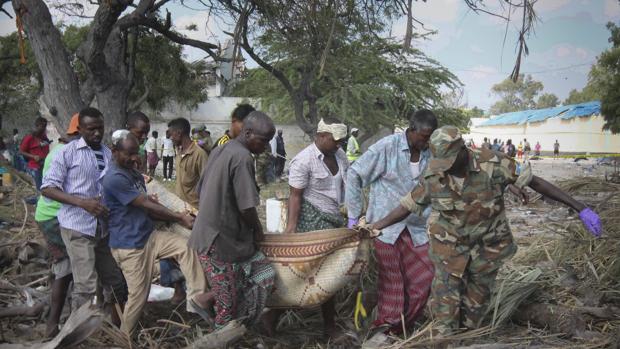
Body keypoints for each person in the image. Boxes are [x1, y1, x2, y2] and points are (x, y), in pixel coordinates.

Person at [370, 126, 602, 336]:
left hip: (487, 249)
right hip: (449, 248)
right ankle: (443, 338)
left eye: (450, 159)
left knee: (474, 311)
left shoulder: (493, 163)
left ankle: (467, 337)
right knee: (445, 309)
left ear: (463, 149)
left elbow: (535, 182)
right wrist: (377, 226)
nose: (446, 167)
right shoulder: (435, 173)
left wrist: (580, 208)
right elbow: (408, 205)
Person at [103, 131, 214, 335]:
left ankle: (196, 300)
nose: (134, 158)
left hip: (149, 236)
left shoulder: (133, 173)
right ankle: (123, 338)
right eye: (129, 154)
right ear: (114, 152)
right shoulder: (113, 178)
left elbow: (147, 203)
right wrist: (179, 217)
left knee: (186, 247)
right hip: (130, 247)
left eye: (136, 152)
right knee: (138, 296)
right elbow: (145, 203)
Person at [346, 109, 437, 338]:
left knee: (424, 277)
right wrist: (354, 217)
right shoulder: (387, 147)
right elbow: (354, 173)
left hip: (415, 228)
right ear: (412, 129)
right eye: (424, 137)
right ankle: (385, 329)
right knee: (392, 281)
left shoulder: (430, 154)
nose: (427, 142)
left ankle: (403, 325)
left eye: (430, 137)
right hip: (384, 229)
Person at [188, 111, 276, 330]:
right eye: (263, 141)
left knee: (265, 274)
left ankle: (208, 299)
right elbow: (247, 206)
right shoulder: (242, 157)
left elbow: (201, 190)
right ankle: (221, 337)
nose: (265, 147)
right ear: (247, 133)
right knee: (228, 308)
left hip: (224, 236)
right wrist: (258, 230)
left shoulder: (220, 149)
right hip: (219, 242)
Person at [41, 107, 127, 324]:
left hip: (101, 229)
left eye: (100, 128)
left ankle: (116, 327)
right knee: (87, 286)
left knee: (116, 281)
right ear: (79, 129)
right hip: (77, 227)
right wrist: (82, 202)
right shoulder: (66, 153)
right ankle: (78, 334)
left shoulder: (108, 154)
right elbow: (48, 188)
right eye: (91, 129)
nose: (97, 133)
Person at [273, 118, 349, 339]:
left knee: (318, 275)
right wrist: (290, 231)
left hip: (334, 220)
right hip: (312, 221)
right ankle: (328, 326)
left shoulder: (340, 155)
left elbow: (347, 186)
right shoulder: (304, 160)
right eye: (336, 140)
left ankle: (275, 314)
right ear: (322, 136)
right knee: (319, 274)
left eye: (341, 141)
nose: (339, 145)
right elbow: (294, 197)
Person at [34, 113, 80, 338]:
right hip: (54, 217)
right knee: (67, 269)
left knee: (66, 269)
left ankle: (58, 318)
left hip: (59, 215)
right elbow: (54, 189)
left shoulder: (64, 151)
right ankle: (53, 326)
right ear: (78, 133)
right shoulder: (63, 154)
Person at [167, 118, 208, 208]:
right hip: (179, 207)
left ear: (179, 133)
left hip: (194, 209)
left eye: (171, 134)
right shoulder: (178, 151)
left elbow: (208, 185)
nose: (170, 138)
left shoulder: (199, 154)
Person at [20, 117, 51, 192]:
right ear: (37, 126)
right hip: (35, 165)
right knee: (39, 187)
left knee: (46, 185)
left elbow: (46, 144)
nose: (44, 128)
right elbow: (21, 151)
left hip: (44, 163)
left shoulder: (43, 136)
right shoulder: (29, 137)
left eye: (45, 126)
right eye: (42, 126)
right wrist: (33, 156)